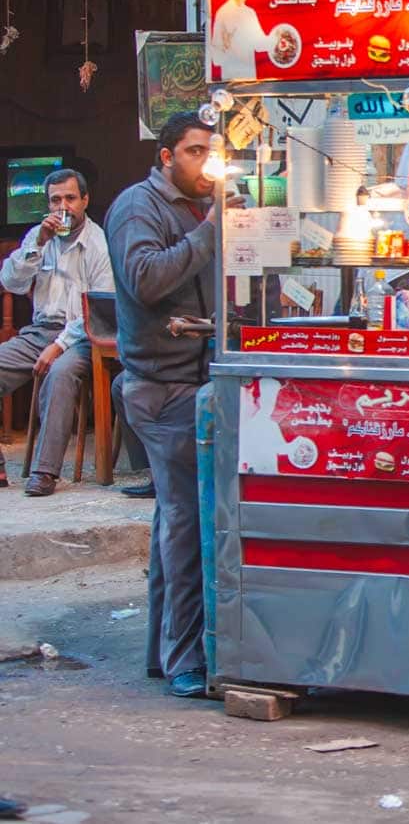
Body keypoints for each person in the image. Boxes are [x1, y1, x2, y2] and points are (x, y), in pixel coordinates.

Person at [107, 110, 237, 699]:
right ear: (166, 156)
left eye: (210, 153)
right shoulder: (140, 207)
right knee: (187, 523)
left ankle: (169, 651)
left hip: (196, 380)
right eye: (193, 152)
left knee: (176, 518)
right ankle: (187, 661)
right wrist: (210, 232)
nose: (204, 164)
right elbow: (145, 280)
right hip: (162, 389)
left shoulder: (195, 206)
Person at [0, 169, 113, 496]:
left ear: (85, 200)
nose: (63, 206)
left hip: (83, 335)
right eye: (55, 200)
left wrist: (59, 346)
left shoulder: (98, 243)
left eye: (70, 198)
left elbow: (99, 306)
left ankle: (45, 471)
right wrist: (37, 243)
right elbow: (11, 282)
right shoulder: (39, 235)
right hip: (39, 332)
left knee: (60, 375)